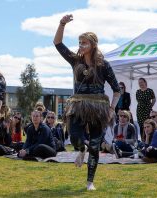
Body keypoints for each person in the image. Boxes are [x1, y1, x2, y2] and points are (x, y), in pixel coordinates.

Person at [54, 14, 120, 190]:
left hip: (99, 107)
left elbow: (117, 89)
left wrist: (112, 109)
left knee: (95, 144)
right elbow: (58, 44)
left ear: (93, 45)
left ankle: (90, 181)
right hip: (78, 105)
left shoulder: (103, 65)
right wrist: (62, 24)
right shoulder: (75, 60)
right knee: (75, 137)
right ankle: (80, 150)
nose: (81, 46)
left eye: (84, 43)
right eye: (80, 43)